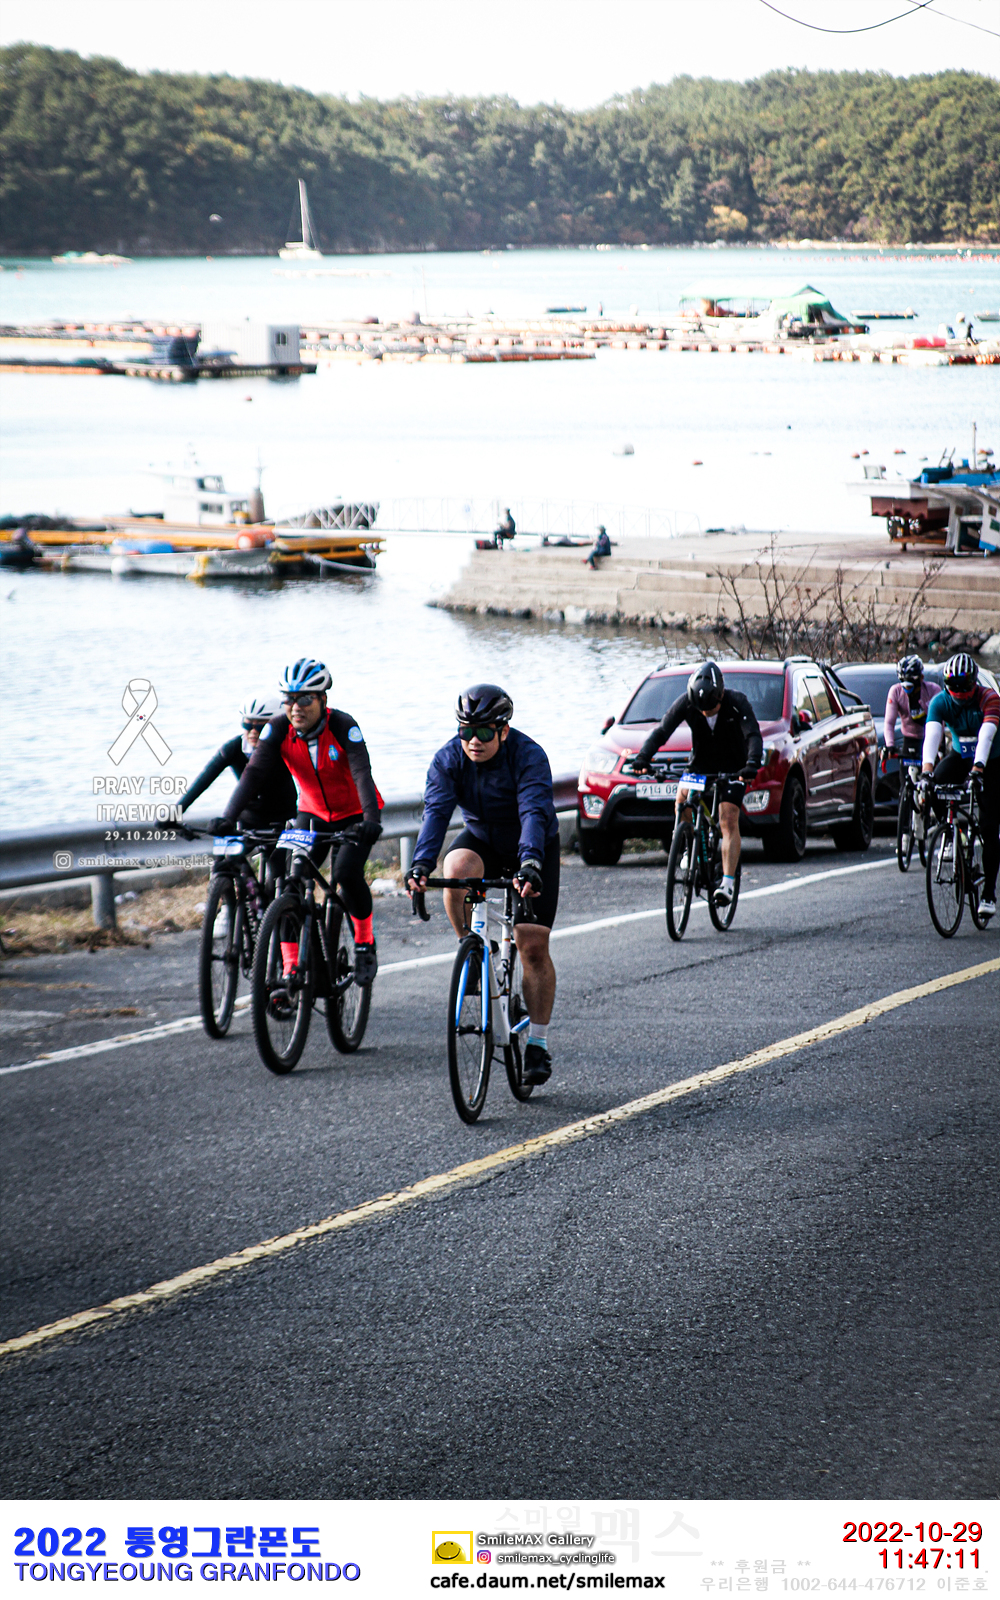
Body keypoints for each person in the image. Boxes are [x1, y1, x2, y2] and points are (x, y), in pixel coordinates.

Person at [406, 684, 560, 1087]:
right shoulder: (448, 760)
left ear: (503, 731)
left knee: (531, 944)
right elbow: (436, 813)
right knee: (456, 867)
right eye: (465, 731)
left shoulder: (528, 756)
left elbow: (533, 812)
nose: (473, 740)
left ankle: (538, 1043)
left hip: (533, 846)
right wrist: (420, 865)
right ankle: (471, 948)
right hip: (483, 841)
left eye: (484, 732)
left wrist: (530, 863)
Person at [213, 658, 384, 983]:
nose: (296, 707)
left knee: (346, 874)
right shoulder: (278, 728)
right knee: (287, 882)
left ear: (323, 699)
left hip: (355, 814)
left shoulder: (343, 725)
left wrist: (371, 820)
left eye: (305, 699)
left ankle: (364, 942)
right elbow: (253, 774)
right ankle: (291, 965)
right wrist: (227, 817)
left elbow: (362, 773)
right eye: (289, 699)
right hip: (311, 814)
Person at [632, 661, 763, 905]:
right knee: (682, 798)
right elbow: (662, 731)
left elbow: (753, 735)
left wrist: (752, 764)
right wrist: (643, 758)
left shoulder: (737, 702)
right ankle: (685, 847)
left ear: (720, 696)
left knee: (728, 817)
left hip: (734, 768)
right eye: (700, 709)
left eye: (710, 708)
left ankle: (727, 883)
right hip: (701, 766)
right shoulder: (687, 702)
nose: (705, 713)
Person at [920, 653, 999, 918]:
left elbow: (987, 736)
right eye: (953, 687)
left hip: (992, 760)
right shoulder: (940, 701)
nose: (959, 693)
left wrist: (978, 769)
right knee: (933, 785)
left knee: (989, 827)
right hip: (960, 755)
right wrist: (926, 771)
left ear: (974, 684)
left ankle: (989, 893)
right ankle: (954, 834)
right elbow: (932, 735)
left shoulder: (989, 698)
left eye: (963, 687)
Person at [180, 694, 296, 829]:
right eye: (248, 725)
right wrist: (175, 812)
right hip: (248, 820)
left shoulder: (288, 746)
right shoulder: (234, 748)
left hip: (285, 819)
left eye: (261, 727)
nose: (253, 732)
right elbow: (203, 781)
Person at [883, 655, 935, 766]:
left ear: (921, 678)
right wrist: (890, 745)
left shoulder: (932, 690)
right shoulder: (896, 691)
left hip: (930, 738)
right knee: (904, 775)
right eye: (904, 685)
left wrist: (939, 747)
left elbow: (940, 721)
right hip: (908, 740)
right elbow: (889, 722)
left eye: (912, 686)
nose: (908, 689)